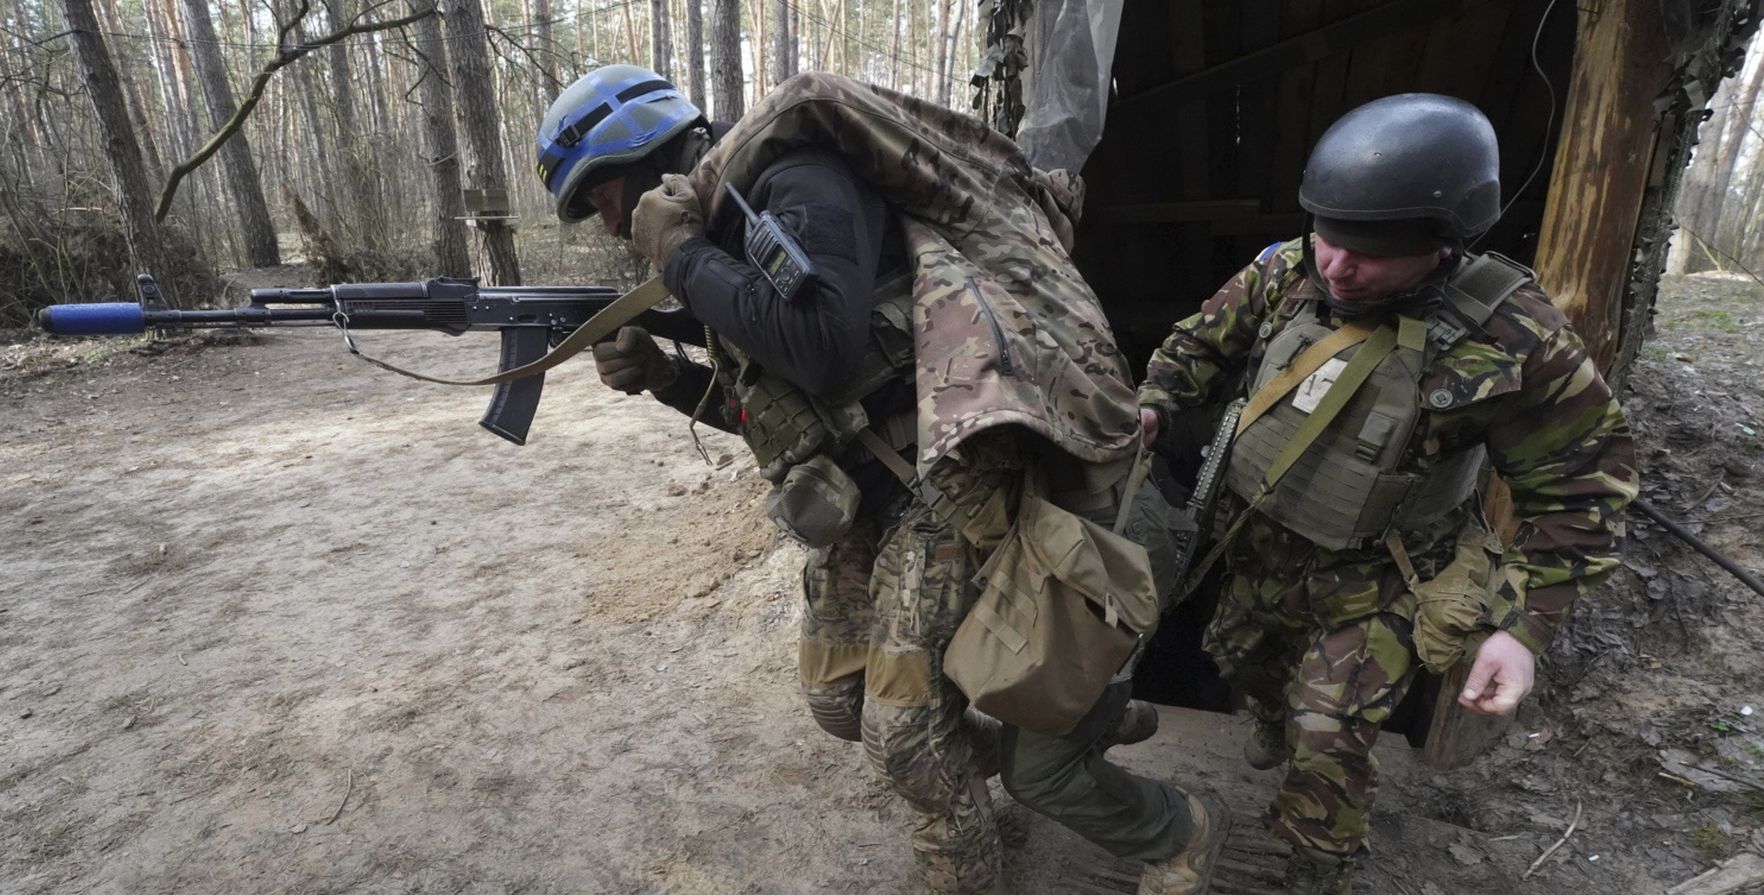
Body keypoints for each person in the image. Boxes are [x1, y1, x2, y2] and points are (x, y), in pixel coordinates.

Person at [536, 65, 1230, 895]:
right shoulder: (726, 233)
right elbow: (788, 408)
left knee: (902, 739)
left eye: (602, 194)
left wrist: (679, 255)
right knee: (840, 701)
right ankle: (1041, 735)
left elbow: (823, 346)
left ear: (644, 152)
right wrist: (666, 375)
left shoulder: (796, 181)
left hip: (946, 479)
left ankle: (1115, 831)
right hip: (868, 497)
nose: (609, 221)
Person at [1136, 93, 1638, 894]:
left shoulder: (1515, 338)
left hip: (1383, 573)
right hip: (1255, 539)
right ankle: (1270, 712)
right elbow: (1199, 342)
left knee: (1327, 731)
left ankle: (1315, 867)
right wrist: (1156, 402)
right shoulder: (1291, 266)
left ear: (1443, 245)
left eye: (1368, 254)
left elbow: (1584, 489)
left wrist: (1521, 632)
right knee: (1238, 660)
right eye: (1327, 239)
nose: (1336, 266)